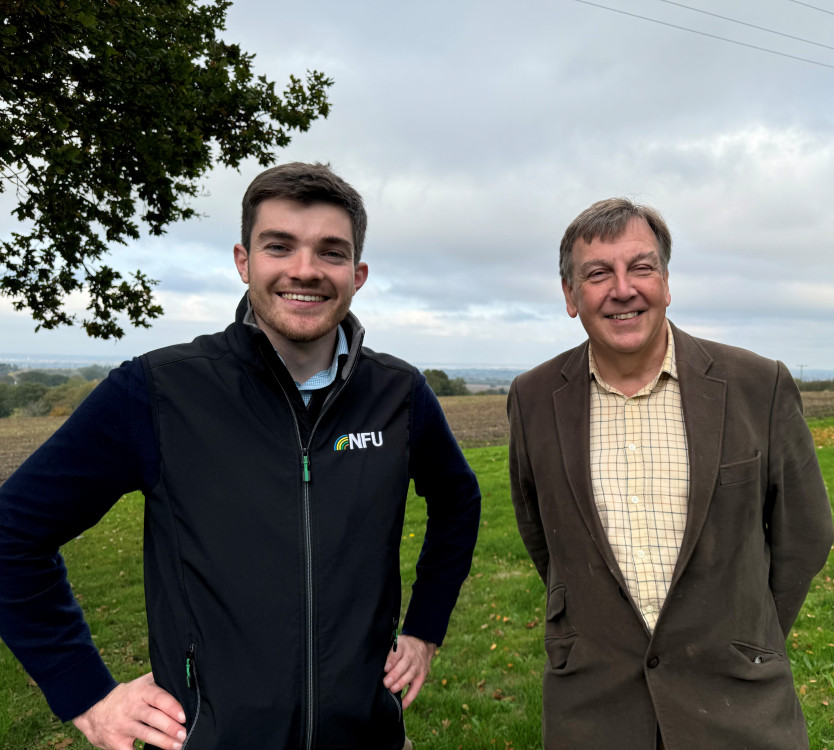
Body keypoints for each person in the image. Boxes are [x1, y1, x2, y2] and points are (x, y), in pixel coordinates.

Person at [0, 162, 481, 750]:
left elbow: (459, 500)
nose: (304, 269)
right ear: (243, 260)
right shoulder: (158, 392)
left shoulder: (398, 395)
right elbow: (12, 533)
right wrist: (87, 696)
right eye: (279, 246)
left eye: (331, 252)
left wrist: (426, 630)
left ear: (357, 274)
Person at [506, 198, 833, 750]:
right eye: (597, 274)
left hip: (738, 705)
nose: (623, 289)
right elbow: (544, 536)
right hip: (592, 712)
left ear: (666, 280)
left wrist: (749, 634)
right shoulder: (533, 398)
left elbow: (807, 533)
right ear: (570, 296)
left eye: (641, 267)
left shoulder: (759, 385)